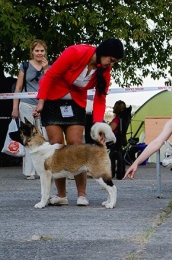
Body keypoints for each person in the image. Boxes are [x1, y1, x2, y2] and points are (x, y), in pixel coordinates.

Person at [33, 38, 125, 206]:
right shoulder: (75, 52)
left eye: (114, 62)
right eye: (110, 60)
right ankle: (61, 195)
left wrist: (99, 126)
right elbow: (51, 75)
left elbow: (100, 98)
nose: (111, 64)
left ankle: (82, 195)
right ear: (103, 52)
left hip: (75, 103)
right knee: (56, 145)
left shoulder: (105, 70)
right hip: (52, 101)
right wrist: (41, 101)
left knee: (76, 145)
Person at [11, 39, 50, 180]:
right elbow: (18, 88)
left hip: (43, 104)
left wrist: (46, 70)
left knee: (42, 135)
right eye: (37, 50)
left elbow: (50, 85)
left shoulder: (49, 67)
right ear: (32, 52)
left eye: (42, 51)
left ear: (45, 52)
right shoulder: (25, 66)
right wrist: (15, 107)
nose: (39, 53)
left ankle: (43, 168)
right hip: (26, 103)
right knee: (28, 136)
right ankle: (29, 171)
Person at [108, 100, 127, 179]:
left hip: (114, 139)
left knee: (111, 156)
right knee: (120, 156)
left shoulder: (117, 119)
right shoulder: (124, 119)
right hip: (121, 139)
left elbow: (110, 129)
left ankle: (110, 172)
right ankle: (120, 173)